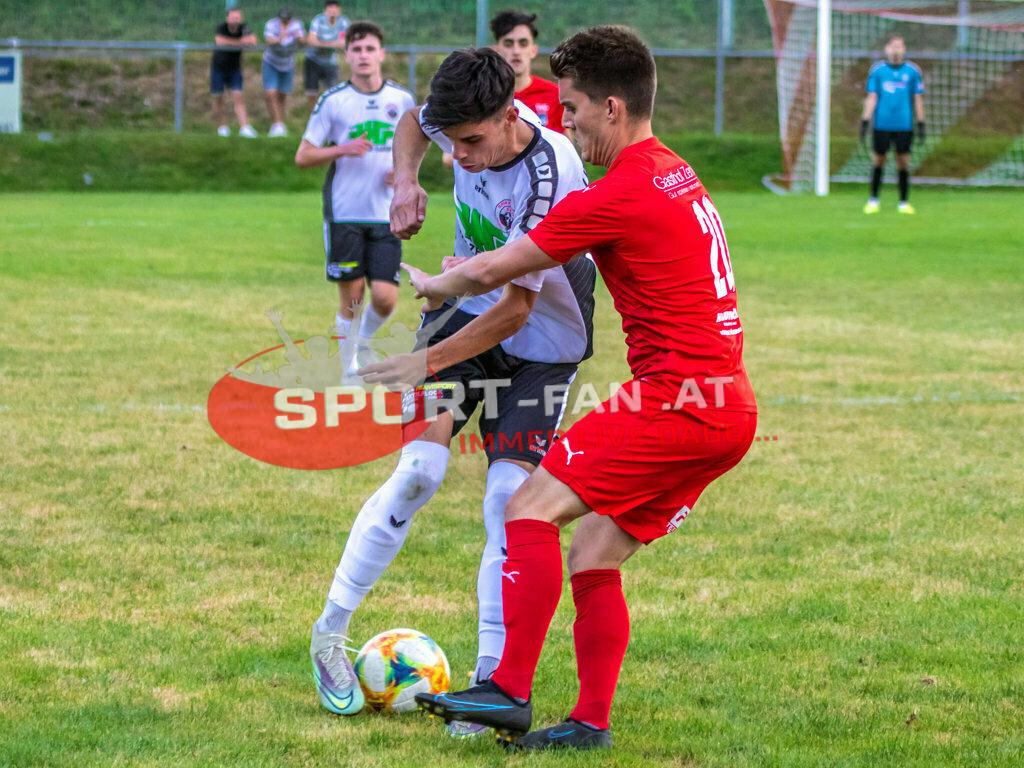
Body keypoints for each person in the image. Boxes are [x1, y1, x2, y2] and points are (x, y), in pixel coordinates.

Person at [409, 26, 757, 751]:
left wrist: (439, 281)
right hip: (727, 406)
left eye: (571, 110)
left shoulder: (620, 190)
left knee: (527, 509)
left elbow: (492, 270)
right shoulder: (673, 170)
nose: (563, 123)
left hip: (678, 400)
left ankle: (505, 689)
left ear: (612, 108)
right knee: (593, 550)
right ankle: (590, 726)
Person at [306, 47, 596, 738]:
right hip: (465, 309)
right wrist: (405, 183)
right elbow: (411, 122)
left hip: (542, 346)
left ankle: (488, 682)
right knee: (417, 472)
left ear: (509, 115)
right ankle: (328, 635)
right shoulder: (453, 123)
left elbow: (517, 310)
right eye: (452, 140)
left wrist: (424, 359)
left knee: (507, 499)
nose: (460, 156)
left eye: (472, 142)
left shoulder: (550, 173)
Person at [295, 22, 414, 353]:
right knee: (353, 298)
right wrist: (341, 149)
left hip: (387, 211)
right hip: (345, 211)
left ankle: (361, 343)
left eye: (370, 49)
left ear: (382, 54)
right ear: (346, 55)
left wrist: (403, 172)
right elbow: (303, 155)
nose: (364, 56)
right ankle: (347, 366)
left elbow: (416, 147)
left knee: (386, 298)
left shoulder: (401, 99)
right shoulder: (333, 101)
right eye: (357, 49)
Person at [860, 35, 926, 214]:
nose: (896, 50)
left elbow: (917, 98)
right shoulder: (878, 71)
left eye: (899, 47)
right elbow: (872, 97)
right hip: (882, 124)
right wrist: (865, 120)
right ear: (887, 49)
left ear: (904, 49)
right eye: (893, 47)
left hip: (904, 124)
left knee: (903, 162)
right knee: (879, 160)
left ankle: (903, 202)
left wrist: (921, 122)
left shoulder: (912, 71)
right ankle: (873, 200)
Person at [491, 9, 566, 134]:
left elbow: (563, 147)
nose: (516, 51)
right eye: (508, 44)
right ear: (497, 50)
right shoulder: (484, 95)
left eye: (523, 44)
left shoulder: (554, 94)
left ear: (533, 50)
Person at [210, 7, 258, 138]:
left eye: (237, 17)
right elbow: (220, 42)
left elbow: (253, 41)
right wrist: (240, 42)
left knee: (238, 97)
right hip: (218, 68)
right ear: (227, 18)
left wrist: (233, 43)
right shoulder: (222, 27)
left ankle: (244, 127)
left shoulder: (243, 28)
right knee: (218, 97)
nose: (235, 20)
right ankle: (222, 127)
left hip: (235, 68)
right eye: (232, 17)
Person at [263, 9, 307, 137]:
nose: (285, 22)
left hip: (287, 64)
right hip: (271, 62)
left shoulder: (297, 25)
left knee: (282, 95)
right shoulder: (271, 24)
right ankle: (277, 124)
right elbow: (270, 40)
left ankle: (279, 125)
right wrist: (283, 35)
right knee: (270, 94)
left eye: (287, 20)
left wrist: (299, 39)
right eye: (283, 20)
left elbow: (301, 40)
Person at [305, 1, 350, 110]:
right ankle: (313, 119)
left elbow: (344, 42)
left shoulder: (343, 22)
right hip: (313, 60)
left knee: (332, 93)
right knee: (312, 93)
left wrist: (322, 43)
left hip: (331, 62)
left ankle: (331, 120)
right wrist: (331, 44)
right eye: (330, 9)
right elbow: (311, 40)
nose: (333, 12)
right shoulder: (318, 20)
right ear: (325, 11)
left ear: (339, 11)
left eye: (335, 9)